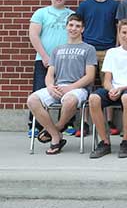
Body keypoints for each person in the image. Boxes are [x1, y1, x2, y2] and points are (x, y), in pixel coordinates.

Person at [26, 14, 97, 155]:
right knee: (32, 100)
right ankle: (55, 136)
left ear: (82, 29)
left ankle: (57, 127)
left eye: (77, 26)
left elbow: (90, 76)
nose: (73, 28)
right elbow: (50, 74)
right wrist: (50, 86)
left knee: (70, 100)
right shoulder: (57, 50)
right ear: (66, 27)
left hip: (78, 89)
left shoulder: (89, 49)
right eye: (71, 25)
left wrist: (70, 87)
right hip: (57, 87)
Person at [88, 19, 127, 159]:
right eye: (124, 32)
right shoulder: (112, 52)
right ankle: (105, 142)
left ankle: (126, 141)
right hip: (114, 90)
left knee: (126, 97)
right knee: (93, 98)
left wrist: (121, 89)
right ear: (119, 33)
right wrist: (111, 89)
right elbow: (107, 80)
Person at [28, 0, 74, 138]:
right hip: (44, 59)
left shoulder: (71, 14)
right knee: (40, 90)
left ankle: (67, 123)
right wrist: (45, 56)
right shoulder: (41, 13)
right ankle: (35, 125)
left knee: (65, 90)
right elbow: (33, 35)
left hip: (66, 61)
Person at [76, 0, 120, 137]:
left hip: (108, 50)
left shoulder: (114, 5)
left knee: (108, 85)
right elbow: (79, 27)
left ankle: (109, 121)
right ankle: (85, 122)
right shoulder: (84, 6)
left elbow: (118, 28)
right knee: (85, 85)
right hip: (88, 49)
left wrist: (116, 48)